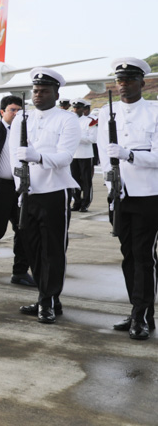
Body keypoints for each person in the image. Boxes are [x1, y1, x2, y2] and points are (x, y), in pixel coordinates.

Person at [10, 68, 80, 324]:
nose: (38, 95)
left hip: (53, 191)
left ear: (56, 93)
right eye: (35, 91)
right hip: (28, 193)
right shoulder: (20, 119)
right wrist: (20, 190)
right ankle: (46, 295)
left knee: (52, 250)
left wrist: (38, 157)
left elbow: (65, 157)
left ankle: (48, 299)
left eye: (44, 91)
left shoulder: (66, 119)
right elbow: (13, 157)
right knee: (33, 248)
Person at [97, 57, 158, 340]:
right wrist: (110, 186)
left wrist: (130, 154)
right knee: (128, 256)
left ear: (142, 83)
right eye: (120, 81)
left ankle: (142, 316)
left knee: (143, 256)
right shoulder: (106, 112)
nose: (123, 85)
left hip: (148, 194)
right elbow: (102, 157)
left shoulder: (155, 112)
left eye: (130, 80)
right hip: (120, 194)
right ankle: (137, 309)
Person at [0, 95, 35, 287]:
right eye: (12, 110)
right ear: (2, 112)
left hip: (20, 187)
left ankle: (20, 272)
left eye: (20, 110)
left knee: (24, 229)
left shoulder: (26, 132)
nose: (16, 114)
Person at [70, 99, 97, 212]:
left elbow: (93, 139)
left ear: (84, 109)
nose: (76, 110)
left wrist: (77, 138)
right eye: (75, 108)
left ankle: (85, 203)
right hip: (73, 155)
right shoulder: (69, 120)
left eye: (79, 108)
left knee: (86, 180)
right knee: (74, 180)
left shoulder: (90, 121)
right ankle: (76, 203)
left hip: (85, 154)